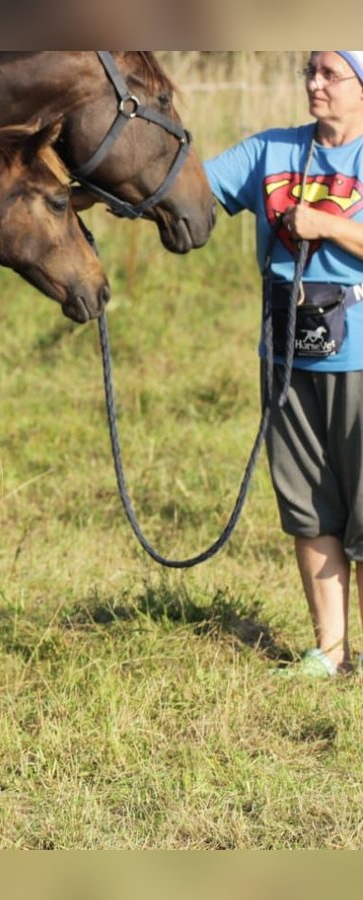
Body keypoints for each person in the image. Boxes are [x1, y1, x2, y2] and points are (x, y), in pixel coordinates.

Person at [204, 51, 363, 676]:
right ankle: (329, 654)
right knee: (308, 504)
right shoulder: (269, 151)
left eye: (330, 74)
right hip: (288, 354)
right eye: (309, 72)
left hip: (360, 358)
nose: (314, 84)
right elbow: (191, 186)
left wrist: (328, 223)